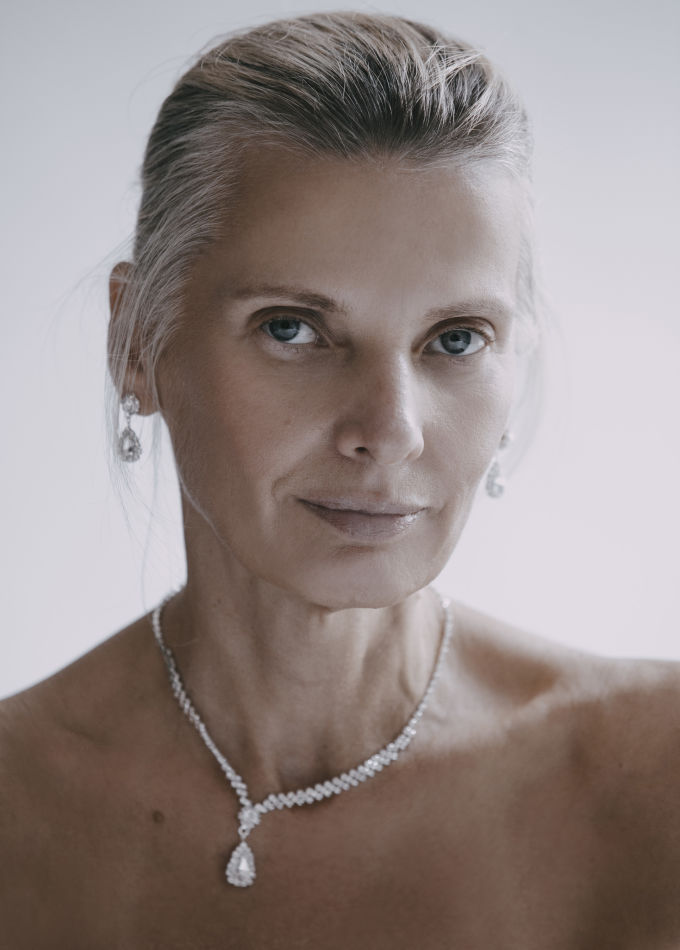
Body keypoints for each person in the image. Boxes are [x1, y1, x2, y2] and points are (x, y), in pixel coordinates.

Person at [1, 10, 679, 947]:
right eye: (294, 329)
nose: (390, 432)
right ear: (135, 343)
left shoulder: (656, 779)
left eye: (455, 339)